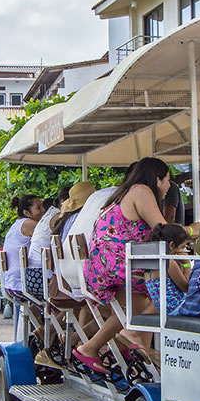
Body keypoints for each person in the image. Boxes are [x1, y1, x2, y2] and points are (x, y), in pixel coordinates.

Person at [72, 157, 170, 374]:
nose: (169, 186)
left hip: (103, 266)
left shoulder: (122, 193)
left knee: (136, 303)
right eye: (167, 180)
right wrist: (192, 231)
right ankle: (129, 340)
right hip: (117, 265)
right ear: (157, 178)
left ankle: (107, 347)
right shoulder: (142, 191)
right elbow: (163, 229)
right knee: (167, 284)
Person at [2, 194, 46, 299]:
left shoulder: (17, 225)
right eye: (38, 208)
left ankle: (40, 315)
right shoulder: (30, 224)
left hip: (10, 283)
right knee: (69, 295)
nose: (43, 210)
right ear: (26, 212)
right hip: (22, 284)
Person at [144, 223, 192, 314]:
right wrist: (187, 264)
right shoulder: (168, 262)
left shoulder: (151, 262)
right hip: (177, 309)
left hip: (165, 311)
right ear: (172, 245)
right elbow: (186, 287)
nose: (182, 251)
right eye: (182, 247)